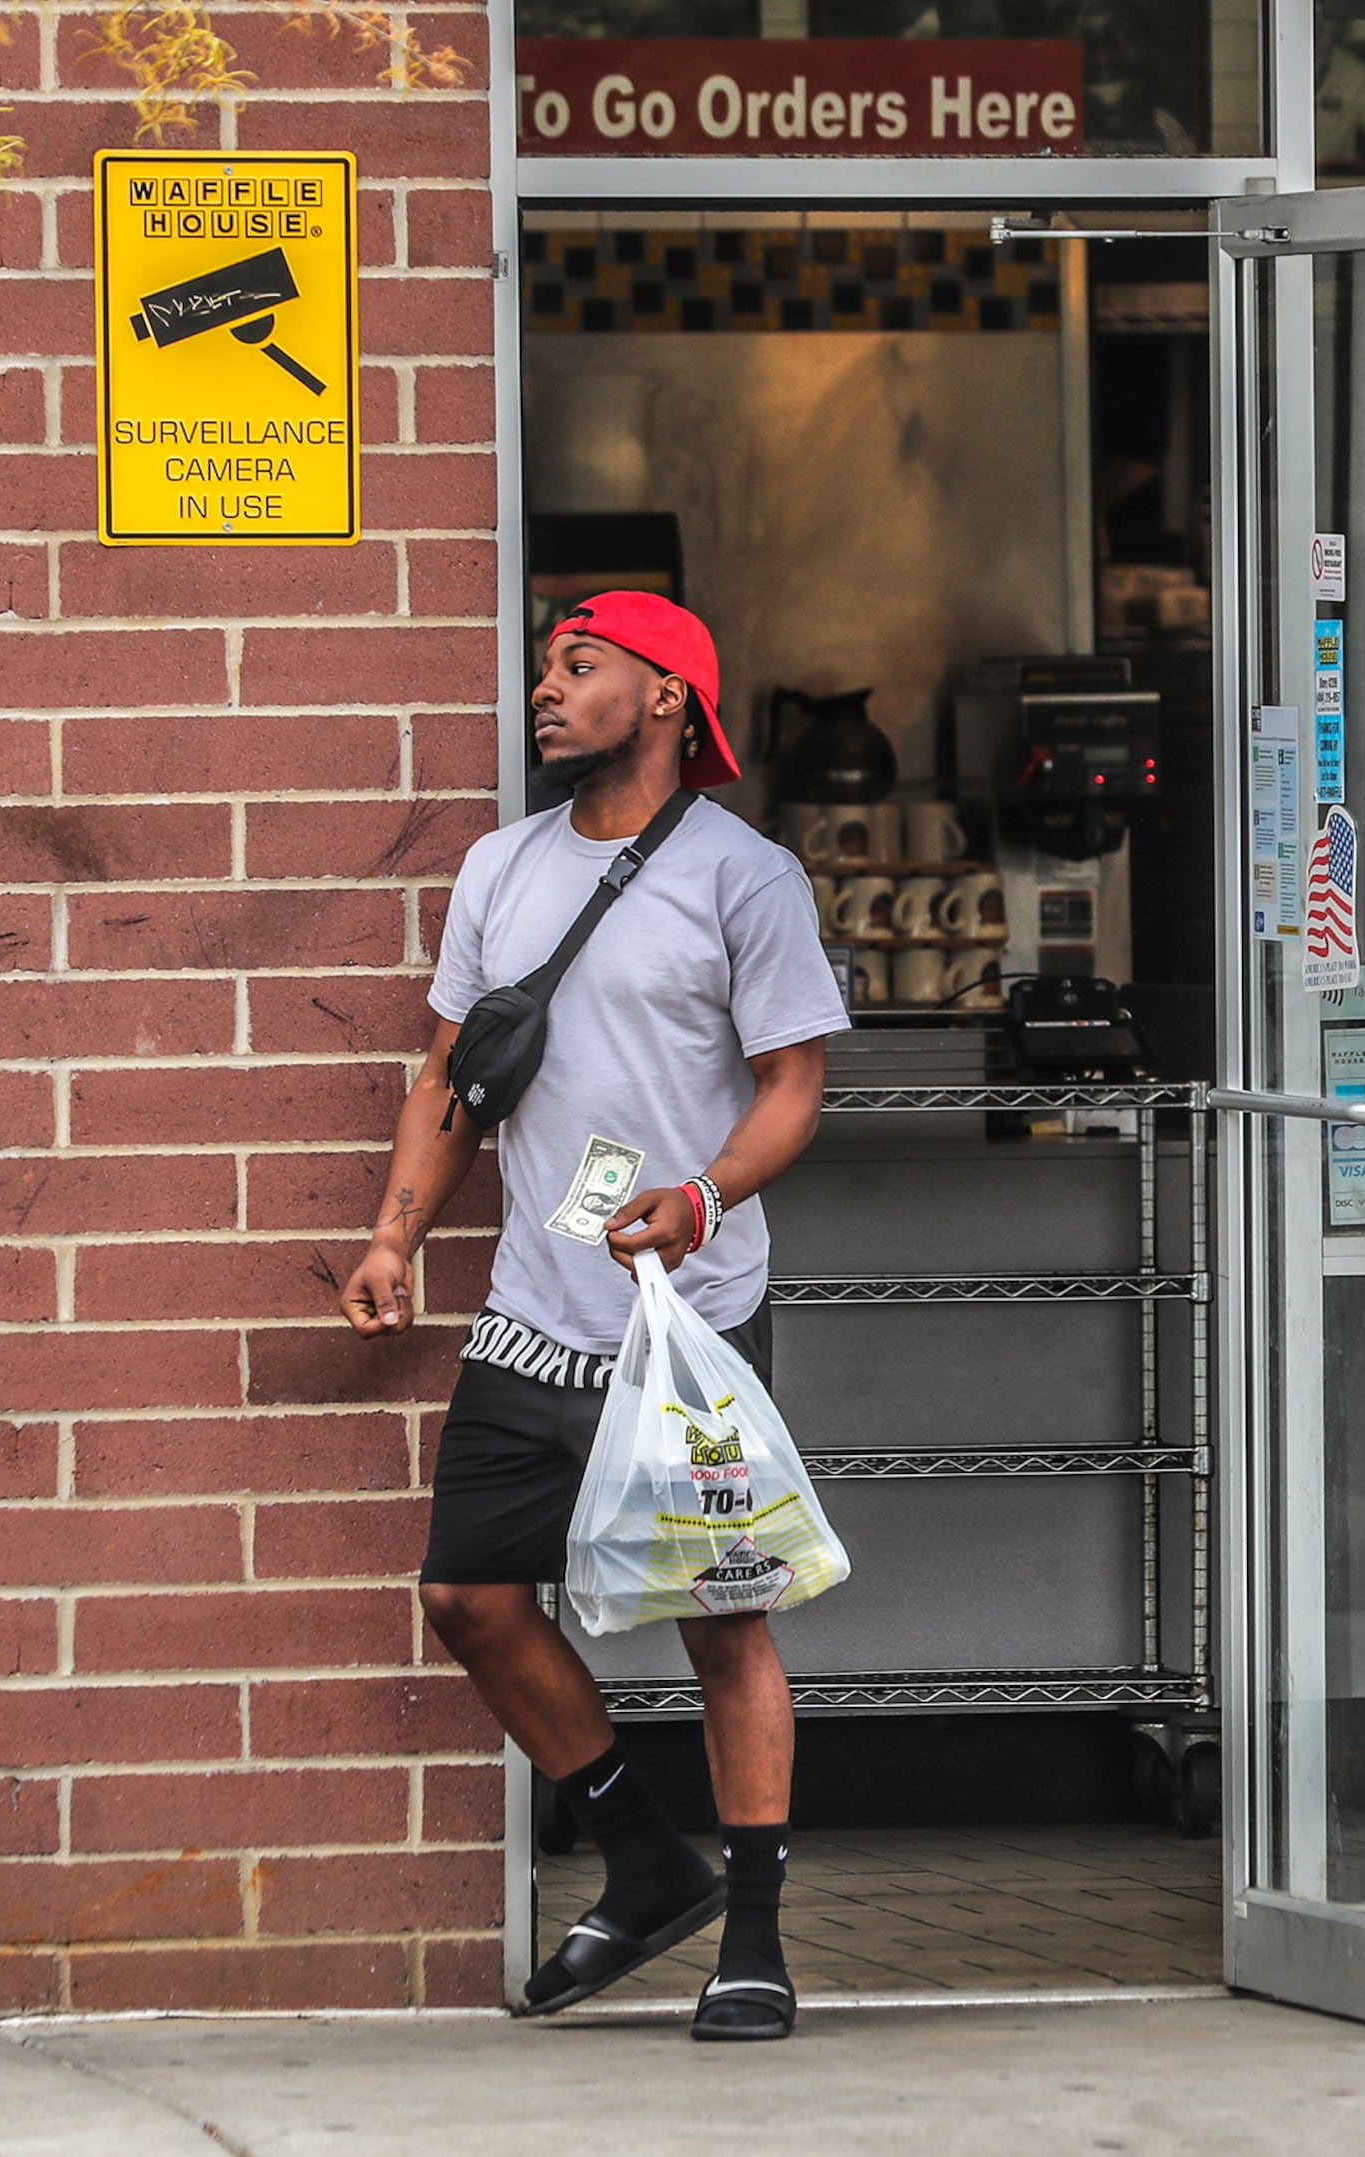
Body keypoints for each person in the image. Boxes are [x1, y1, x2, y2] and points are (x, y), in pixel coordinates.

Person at [340, 592, 848, 2041]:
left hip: (683, 1320)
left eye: (581, 668)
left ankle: (752, 1936)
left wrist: (701, 1196)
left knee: (721, 1619)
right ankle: (642, 1861)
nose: (547, 692)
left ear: (670, 696)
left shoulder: (743, 879)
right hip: (529, 1312)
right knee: (469, 1597)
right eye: (547, 670)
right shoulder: (501, 870)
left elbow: (794, 1088)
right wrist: (393, 1238)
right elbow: (451, 1078)